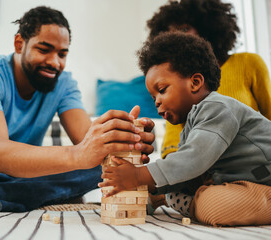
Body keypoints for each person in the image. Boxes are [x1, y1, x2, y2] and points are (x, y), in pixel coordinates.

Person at [0, 6, 155, 220]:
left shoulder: (64, 83)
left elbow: (87, 140)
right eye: (44, 49)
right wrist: (79, 154)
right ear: (19, 44)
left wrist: (126, 139)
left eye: (62, 54)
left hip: (30, 173)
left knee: (100, 166)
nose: (54, 62)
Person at [99, 32, 271, 226]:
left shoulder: (218, 108)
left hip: (265, 184)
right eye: (153, 96)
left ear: (195, 82)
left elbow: (192, 160)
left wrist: (139, 175)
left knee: (214, 205)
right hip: (243, 184)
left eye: (162, 90)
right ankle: (166, 196)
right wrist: (146, 183)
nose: (157, 101)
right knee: (181, 182)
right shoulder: (190, 127)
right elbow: (187, 171)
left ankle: (187, 202)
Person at [146, 0, 271, 159]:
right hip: (204, 170)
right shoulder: (177, 84)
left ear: (206, 28)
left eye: (184, 29)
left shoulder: (249, 63)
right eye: (171, 34)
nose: (179, 37)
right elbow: (173, 145)